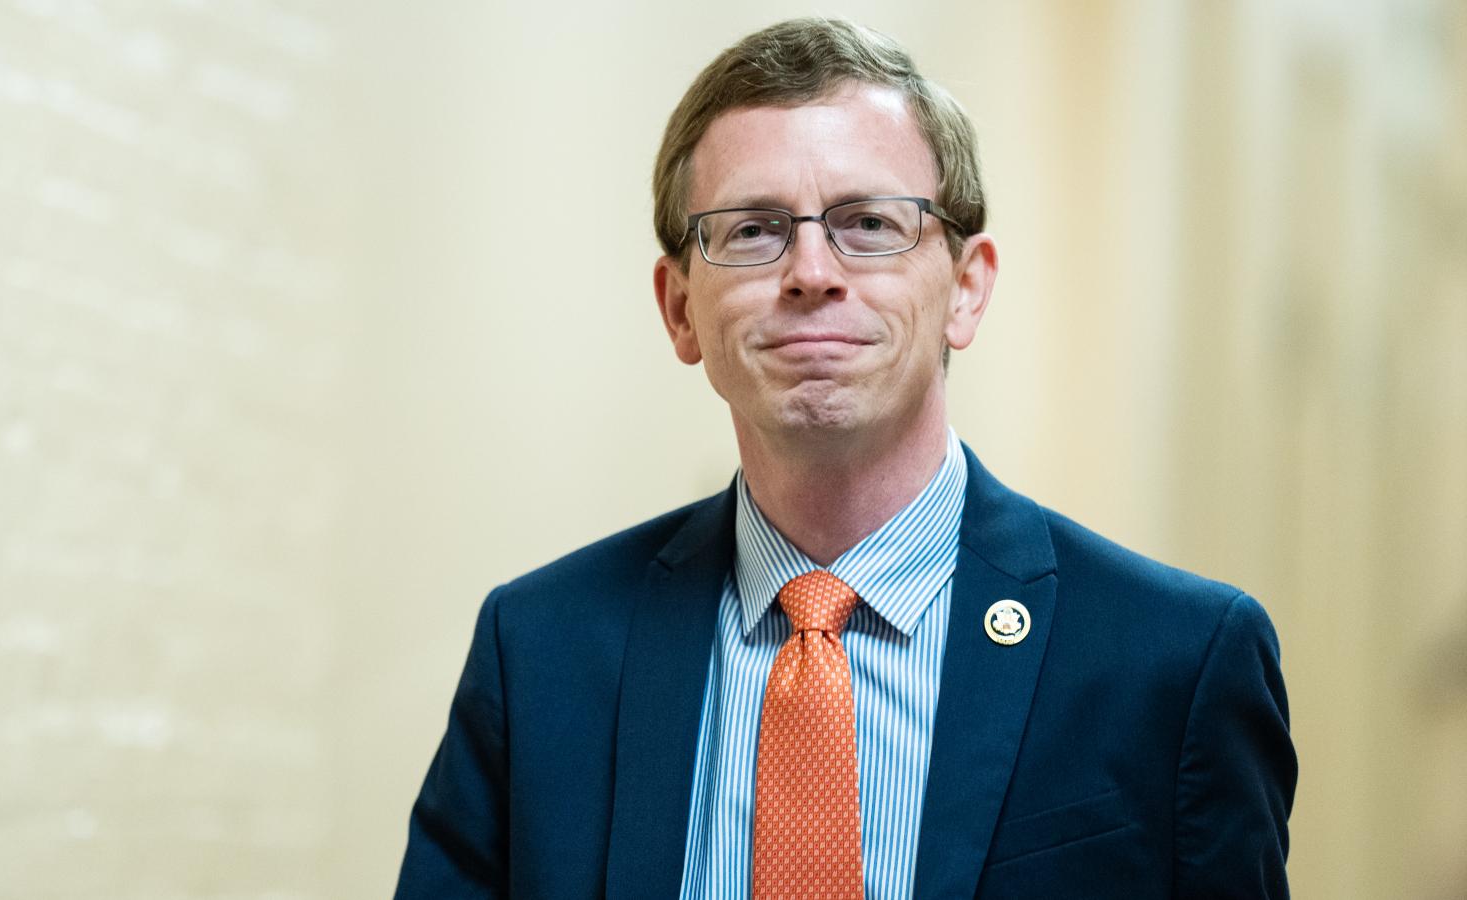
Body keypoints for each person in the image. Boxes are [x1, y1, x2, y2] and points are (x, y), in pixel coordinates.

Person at [396, 17, 1295, 900]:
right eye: (752, 230)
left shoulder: (1173, 665)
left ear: (967, 289)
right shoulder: (542, 652)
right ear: (679, 309)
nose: (812, 270)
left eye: (868, 223)